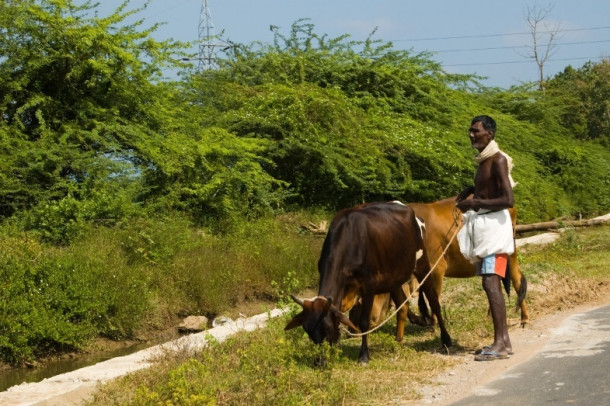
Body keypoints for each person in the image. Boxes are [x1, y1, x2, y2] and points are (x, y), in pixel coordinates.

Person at [456, 115, 515, 361]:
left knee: (491, 284)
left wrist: (477, 202)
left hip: (495, 232)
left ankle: (500, 344)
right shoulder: (484, 162)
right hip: (485, 230)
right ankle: (504, 342)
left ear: (489, 134)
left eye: (475, 131)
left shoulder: (497, 160)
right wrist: (471, 193)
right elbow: (489, 189)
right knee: (488, 283)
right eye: (470, 131)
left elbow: (508, 200)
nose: (471, 135)